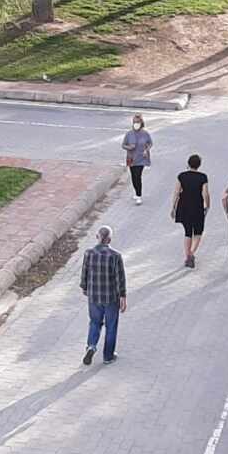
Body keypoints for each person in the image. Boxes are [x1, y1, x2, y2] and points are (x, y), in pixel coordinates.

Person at [81, 226, 127, 366]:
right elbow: (120, 278)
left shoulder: (88, 253)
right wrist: (123, 296)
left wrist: (85, 288)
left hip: (94, 296)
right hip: (111, 297)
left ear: (97, 237)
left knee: (95, 322)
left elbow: (84, 273)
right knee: (111, 326)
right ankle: (108, 356)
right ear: (109, 240)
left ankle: (91, 346)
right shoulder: (115, 256)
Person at [171, 154, 210, 268]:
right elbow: (205, 193)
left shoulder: (182, 176)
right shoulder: (203, 177)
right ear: (199, 165)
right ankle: (191, 254)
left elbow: (176, 192)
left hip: (184, 206)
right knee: (198, 232)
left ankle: (187, 255)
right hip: (197, 207)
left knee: (188, 232)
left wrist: (173, 207)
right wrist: (207, 205)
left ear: (188, 163)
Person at [122, 114, 152, 205]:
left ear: (141, 123)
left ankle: (139, 196)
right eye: (134, 122)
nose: (136, 124)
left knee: (137, 176)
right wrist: (129, 147)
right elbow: (123, 145)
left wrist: (146, 150)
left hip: (141, 158)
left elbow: (150, 143)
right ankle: (136, 192)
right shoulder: (129, 134)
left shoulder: (145, 134)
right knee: (133, 176)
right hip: (131, 158)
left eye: (138, 122)